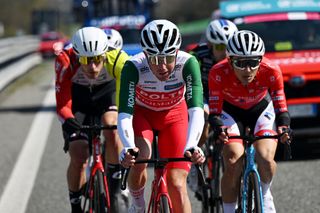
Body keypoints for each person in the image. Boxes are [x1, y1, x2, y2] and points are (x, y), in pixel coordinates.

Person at [117, 19, 205, 213]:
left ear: (176, 52)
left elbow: (196, 109)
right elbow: (124, 113)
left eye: (167, 58)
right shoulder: (133, 67)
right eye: (155, 59)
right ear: (145, 54)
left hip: (174, 115)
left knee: (177, 183)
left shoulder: (188, 63)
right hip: (143, 116)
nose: (162, 66)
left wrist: (192, 144)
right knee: (141, 157)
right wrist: (128, 146)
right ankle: (138, 204)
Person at [208, 30, 291, 213]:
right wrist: (218, 127)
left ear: (260, 60)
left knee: (266, 158)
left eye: (253, 63)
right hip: (230, 112)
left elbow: (280, 106)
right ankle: (230, 209)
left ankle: (265, 192)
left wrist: (284, 127)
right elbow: (214, 112)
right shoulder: (218, 72)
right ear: (230, 61)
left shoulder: (272, 70)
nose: (247, 70)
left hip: (260, 110)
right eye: (240, 63)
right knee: (232, 159)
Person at [54, 26, 130, 213]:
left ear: (105, 54)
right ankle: (75, 205)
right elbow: (62, 103)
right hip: (78, 101)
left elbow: (126, 103)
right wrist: (68, 120)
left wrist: (126, 121)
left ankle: (114, 191)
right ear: (77, 55)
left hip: (107, 96)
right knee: (79, 153)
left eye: (97, 59)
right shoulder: (65, 61)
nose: (92, 67)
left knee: (112, 128)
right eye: (86, 60)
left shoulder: (120, 61)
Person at [187, 19, 238, 192]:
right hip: (204, 94)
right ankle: (196, 159)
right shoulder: (197, 56)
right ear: (209, 45)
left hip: (227, 96)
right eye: (219, 47)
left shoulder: (237, 57)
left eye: (229, 47)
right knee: (204, 117)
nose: (225, 53)